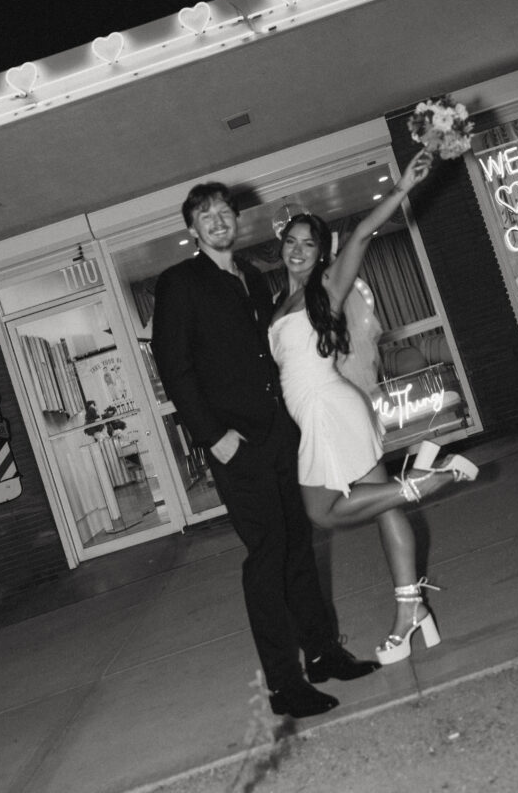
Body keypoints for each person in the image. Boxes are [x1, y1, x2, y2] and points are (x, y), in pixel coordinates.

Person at [151, 181, 379, 719]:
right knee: (268, 555)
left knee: (299, 543)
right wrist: (213, 436)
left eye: (225, 211)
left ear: (237, 221)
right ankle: (284, 682)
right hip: (235, 444)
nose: (218, 220)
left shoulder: (253, 278)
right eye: (205, 214)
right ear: (192, 229)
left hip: (280, 434)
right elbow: (174, 368)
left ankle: (322, 653)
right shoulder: (179, 283)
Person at [270, 148, 478, 665]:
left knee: (322, 511)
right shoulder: (281, 304)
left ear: (321, 253)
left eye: (308, 244)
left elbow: (363, 233)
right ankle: (413, 611)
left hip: (329, 409)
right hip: (321, 410)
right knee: (378, 500)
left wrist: (404, 186)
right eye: (291, 243)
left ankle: (435, 479)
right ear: (283, 249)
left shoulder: (326, 289)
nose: (298, 251)